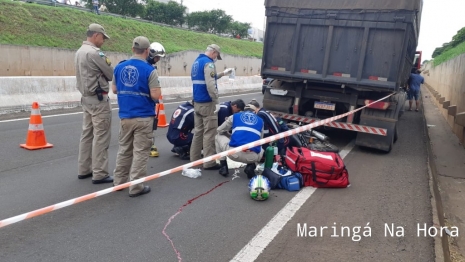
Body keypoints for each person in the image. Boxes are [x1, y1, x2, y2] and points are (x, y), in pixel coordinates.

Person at [111, 36, 162, 197]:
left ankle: (119, 183)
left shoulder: (119, 67)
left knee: (124, 149)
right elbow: (155, 95)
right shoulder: (149, 70)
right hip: (144, 116)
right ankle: (136, 187)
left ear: (133, 49)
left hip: (125, 116)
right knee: (140, 152)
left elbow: (114, 89)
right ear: (147, 51)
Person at [75, 23, 113, 184]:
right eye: (103, 37)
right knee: (101, 137)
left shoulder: (79, 52)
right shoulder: (95, 53)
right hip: (98, 100)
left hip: (86, 98)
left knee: (87, 135)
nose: (103, 41)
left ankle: (84, 169)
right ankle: (100, 173)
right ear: (96, 35)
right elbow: (110, 74)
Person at [190, 44, 234, 169]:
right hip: (207, 103)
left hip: (197, 102)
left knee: (198, 132)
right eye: (216, 55)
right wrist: (216, 101)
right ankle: (209, 162)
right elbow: (210, 85)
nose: (216, 58)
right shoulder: (209, 64)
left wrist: (223, 73)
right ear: (214, 52)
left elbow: (208, 78)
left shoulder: (197, 62)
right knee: (210, 133)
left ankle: (194, 159)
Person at [215, 104, 264, 178]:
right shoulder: (261, 121)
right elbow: (260, 139)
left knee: (218, 136)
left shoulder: (235, 116)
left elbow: (219, 130)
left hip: (234, 154)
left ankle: (223, 167)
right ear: (254, 112)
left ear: (243, 111)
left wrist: (229, 135)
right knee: (260, 145)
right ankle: (251, 167)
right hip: (253, 157)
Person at [146, 42, 166, 157]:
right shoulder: (146, 67)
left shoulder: (151, 67)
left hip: (150, 102)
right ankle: (148, 146)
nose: (158, 59)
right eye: (157, 57)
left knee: (151, 125)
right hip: (145, 102)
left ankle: (150, 144)